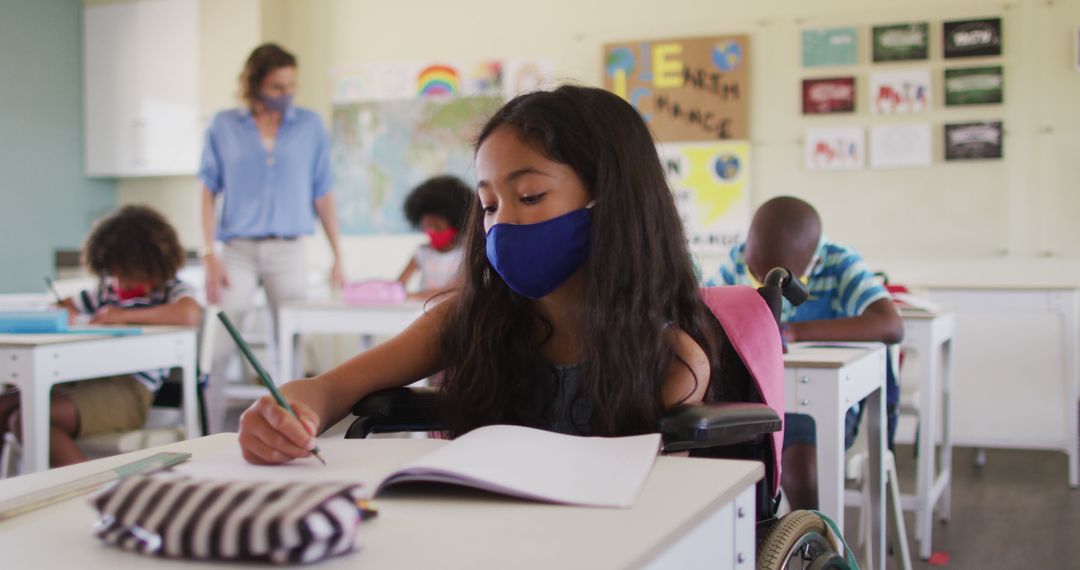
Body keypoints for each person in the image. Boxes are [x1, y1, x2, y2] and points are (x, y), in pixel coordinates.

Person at [237, 85, 757, 464]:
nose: (502, 222)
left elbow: (657, 514)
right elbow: (329, 388)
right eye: (488, 204)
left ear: (613, 202)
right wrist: (290, 414)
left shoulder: (669, 358)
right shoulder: (467, 322)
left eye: (530, 196)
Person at [704, 196, 903, 510]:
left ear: (808, 264)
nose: (761, 284)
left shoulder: (840, 262)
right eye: (756, 274)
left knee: (799, 467)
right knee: (710, 448)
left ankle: (812, 546)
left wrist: (794, 332)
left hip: (818, 406)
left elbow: (890, 325)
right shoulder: (738, 258)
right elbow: (704, 314)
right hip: (757, 396)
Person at [198, 43, 344, 431]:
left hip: (289, 249)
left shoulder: (310, 126)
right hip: (237, 252)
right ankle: (206, 436)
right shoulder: (224, 125)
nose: (286, 94)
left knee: (289, 351)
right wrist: (208, 251)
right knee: (219, 347)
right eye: (277, 87)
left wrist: (338, 255)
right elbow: (207, 190)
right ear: (255, 84)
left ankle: (289, 432)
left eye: (291, 86)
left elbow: (323, 193)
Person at [0, 205, 201, 467]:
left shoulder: (171, 291)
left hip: (128, 393)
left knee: (26, 418)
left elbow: (189, 314)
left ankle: (91, 497)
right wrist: (64, 312)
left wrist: (123, 315)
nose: (118, 283)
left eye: (126, 274)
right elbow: (64, 305)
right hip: (82, 382)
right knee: (6, 406)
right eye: (112, 273)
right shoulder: (105, 293)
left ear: (150, 263)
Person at [396, 175, 472, 300]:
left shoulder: (465, 253)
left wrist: (411, 295)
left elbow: (458, 290)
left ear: (456, 223)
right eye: (428, 227)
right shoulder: (422, 252)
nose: (432, 232)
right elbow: (398, 286)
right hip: (423, 311)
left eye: (438, 227)